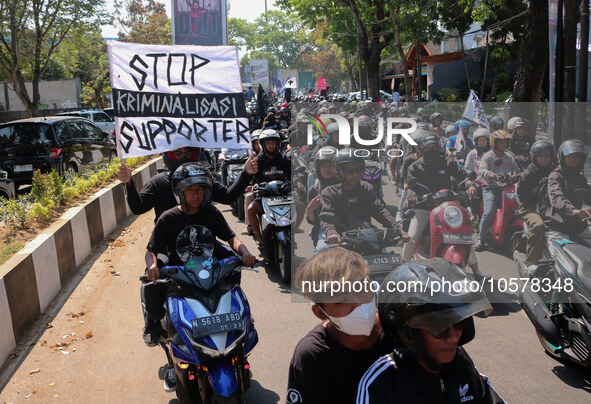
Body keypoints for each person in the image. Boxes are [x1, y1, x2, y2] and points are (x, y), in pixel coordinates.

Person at [145, 162, 256, 392]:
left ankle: (242, 332)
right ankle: (157, 332)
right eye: (189, 190)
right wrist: (153, 266)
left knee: (234, 278)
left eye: (200, 189)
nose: (196, 195)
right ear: (179, 192)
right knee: (154, 292)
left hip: (212, 274)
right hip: (180, 278)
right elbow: (151, 250)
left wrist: (244, 252)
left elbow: (231, 237)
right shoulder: (167, 218)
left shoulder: (212, 212)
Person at [356, 259, 505, 404]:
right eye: (440, 327)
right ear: (409, 333)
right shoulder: (383, 383)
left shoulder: (461, 363)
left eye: (460, 323)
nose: (454, 338)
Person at [287, 247, 393, 404]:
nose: (358, 302)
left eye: (361, 287)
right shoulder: (311, 356)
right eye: (342, 300)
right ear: (321, 313)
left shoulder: (396, 329)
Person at [402, 133, 480, 275]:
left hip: (447, 207)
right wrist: (412, 196)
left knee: (464, 235)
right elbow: (410, 187)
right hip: (424, 206)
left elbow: (463, 175)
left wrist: (471, 185)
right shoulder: (414, 167)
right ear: (421, 149)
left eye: (434, 147)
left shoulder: (448, 162)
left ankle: (476, 271)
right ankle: (402, 268)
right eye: (428, 147)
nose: (431, 149)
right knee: (412, 237)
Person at [117, 146, 257, 223]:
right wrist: (128, 183)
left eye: (188, 152)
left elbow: (227, 197)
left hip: (203, 243)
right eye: (177, 153)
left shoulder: (205, 178)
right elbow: (138, 208)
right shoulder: (158, 182)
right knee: (152, 273)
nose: (183, 157)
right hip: (168, 245)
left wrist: (246, 173)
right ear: (168, 155)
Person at [318, 149, 400, 251]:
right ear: (339, 171)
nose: (355, 174)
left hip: (366, 239)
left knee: (389, 261)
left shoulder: (366, 187)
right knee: (321, 254)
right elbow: (326, 217)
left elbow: (379, 210)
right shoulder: (329, 192)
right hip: (340, 242)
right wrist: (332, 233)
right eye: (350, 171)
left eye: (358, 170)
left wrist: (396, 227)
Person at [247, 129, 305, 249]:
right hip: (264, 196)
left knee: (301, 206)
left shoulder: (284, 158)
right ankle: (260, 237)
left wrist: (297, 182)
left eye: (273, 142)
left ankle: (292, 233)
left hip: (283, 194)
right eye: (268, 143)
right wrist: (252, 185)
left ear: (277, 144)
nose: (271, 145)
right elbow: (252, 177)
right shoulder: (257, 160)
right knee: (251, 209)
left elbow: (292, 175)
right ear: (263, 145)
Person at [540, 139, 591, 256]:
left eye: (577, 156)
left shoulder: (579, 176)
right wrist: (573, 210)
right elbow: (557, 198)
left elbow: (587, 193)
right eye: (570, 156)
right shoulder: (555, 176)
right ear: (563, 156)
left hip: (578, 224)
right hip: (558, 225)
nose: (574, 159)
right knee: (561, 258)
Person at [476, 130, 519, 251]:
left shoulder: (509, 158)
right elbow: (482, 170)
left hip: (507, 189)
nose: (503, 144)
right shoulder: (488, 156)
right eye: (501, 142)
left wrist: (518, 175)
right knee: (489, 211)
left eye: (505, 142)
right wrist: (491, 174)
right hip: (491, 189)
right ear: (494, 142)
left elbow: (517, 171)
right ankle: (481, 239)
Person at [517, 141, 556, 269]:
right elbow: (521, 196)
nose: (544, 159)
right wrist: (535, 191)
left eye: (547, 156)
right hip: (530, 207)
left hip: (550, 206)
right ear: (535, 157)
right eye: (540, 156)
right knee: (539, 225)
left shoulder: (554, 171)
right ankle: (531, 262)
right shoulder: (529, 172)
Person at [306, 146, 339, 248]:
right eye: (324, 165)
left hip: (349, 229)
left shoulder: (346, 185)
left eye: (330, 165)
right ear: (318, 168)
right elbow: (312, 221)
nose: (327, 169)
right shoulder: (314, 190)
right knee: (321, 253)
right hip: (324, 231)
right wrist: (310, 208)